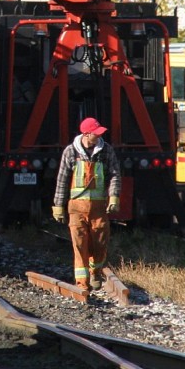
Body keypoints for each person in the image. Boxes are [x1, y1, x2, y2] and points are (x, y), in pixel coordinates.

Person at [51, 116, 122, 290]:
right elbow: (62, 180)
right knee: (79, 244)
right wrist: (58, 205)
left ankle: (95, 273)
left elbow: (114, 174)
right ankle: (82, 283)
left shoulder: (106, 151)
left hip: (99, 208)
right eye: (95, 134)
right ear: (86, 133)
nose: (98, 136)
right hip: (76, 208)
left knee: (100, 242)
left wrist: (114, 196)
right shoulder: (70, 152)